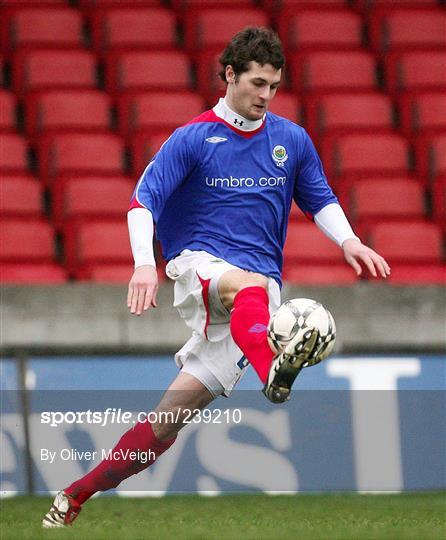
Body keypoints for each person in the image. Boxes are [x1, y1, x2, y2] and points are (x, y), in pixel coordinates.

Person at [42, 27, 390, 528]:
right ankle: (273, 365)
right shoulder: (193, 138)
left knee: (166, 424)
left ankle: (75, 494)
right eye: (256, 83)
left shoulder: (290, 140)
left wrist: (350, 240)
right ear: (230, 75)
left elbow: (320, 198)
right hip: (199, 267)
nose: (265, 96)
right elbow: (143, 204)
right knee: (246, 285)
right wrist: (145, 264)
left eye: (273, 86)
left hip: (256, 299)